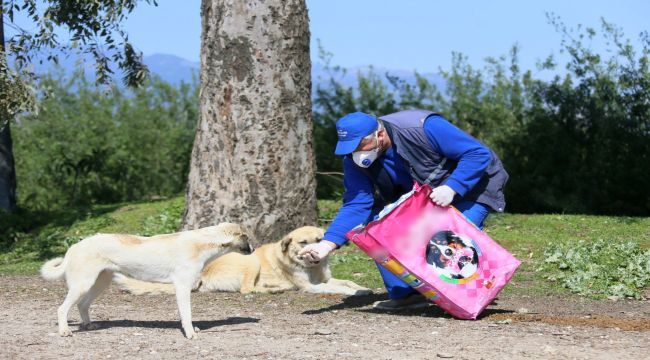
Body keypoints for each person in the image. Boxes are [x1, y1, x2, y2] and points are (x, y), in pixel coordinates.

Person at [298, 109, 509, 310]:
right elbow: (356, 204)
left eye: (360, 144)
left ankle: (473, 296)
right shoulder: (355, 161)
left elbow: (477, 153)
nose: (356, 152)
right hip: (424, 197)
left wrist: (453, 187)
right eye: (350, 147)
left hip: (473, 186)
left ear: (379, 134)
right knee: (375, 227)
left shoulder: (421, 127)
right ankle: (406, 294)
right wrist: (327, 244)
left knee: (452, 240)